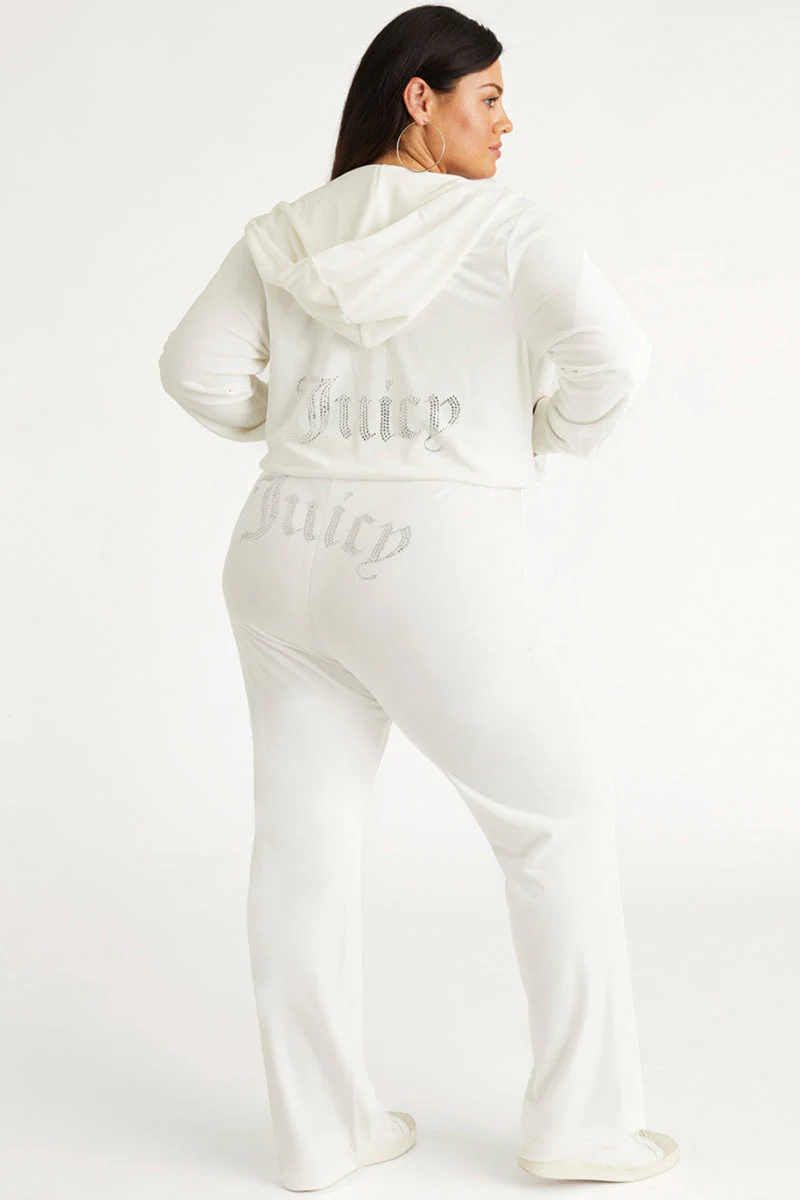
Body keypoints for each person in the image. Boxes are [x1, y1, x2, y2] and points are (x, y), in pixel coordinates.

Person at [158, 4, 679, 1191]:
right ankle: (579, 1127)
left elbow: (191, 368)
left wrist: (287, 425)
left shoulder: (285, 232)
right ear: (419, 98)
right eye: (487, 97)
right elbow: (615, 362)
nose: (505, 122)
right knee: (556, 819)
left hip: (279, 541)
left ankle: (322, 1135)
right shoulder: (503, 227)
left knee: (303, 844)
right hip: (424, 555)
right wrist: (544, 431)